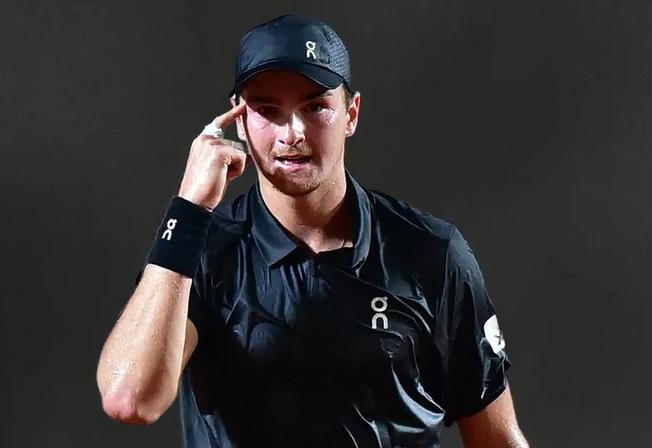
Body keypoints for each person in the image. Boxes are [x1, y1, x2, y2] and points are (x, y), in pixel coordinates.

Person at [96, 14, 529, 448]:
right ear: (240, 121)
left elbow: (497, 438)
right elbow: (130, 398)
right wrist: (188, 211)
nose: (293, 133)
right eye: (267, 110)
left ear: (350, 114)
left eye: (315, 106)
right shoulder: (204, 254)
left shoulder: (430, 253)